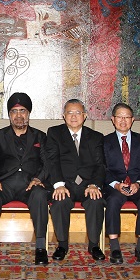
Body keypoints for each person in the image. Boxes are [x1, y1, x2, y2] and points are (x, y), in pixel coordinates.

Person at [0, 92, 50, 264]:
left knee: (41, 195)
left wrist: (38, 178)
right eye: (14, 111)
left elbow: (47, 163)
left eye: (22, 111)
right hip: (5, 184)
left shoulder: (40, 136)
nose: (18, 115)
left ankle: (41, 247)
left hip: (30, 184)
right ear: (9, 115)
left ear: (29, 114)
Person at [45, 99, 106, 262]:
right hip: (65, 184)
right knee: (59, 202)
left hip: (88, 185)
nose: (73, 116)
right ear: (64, 116)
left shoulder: (96, 137)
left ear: (84, 116)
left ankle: (94, 245)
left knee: (96, 201)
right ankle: (62, 244)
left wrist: (94, 185)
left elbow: (101, 165)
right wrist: (58, 185)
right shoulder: (54, 133)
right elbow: (52, 161)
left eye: (78, 112)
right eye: (70, 113)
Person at [103, 103, 140, 264]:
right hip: (115, 186)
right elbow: (102, 168)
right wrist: (116, 184)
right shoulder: (104, 142)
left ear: (132, 120)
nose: (123, 120)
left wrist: (138, 183)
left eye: (127, 117)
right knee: (112, 201)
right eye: (119, 116)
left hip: (138, 185)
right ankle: (115, 247)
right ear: (113, 119)